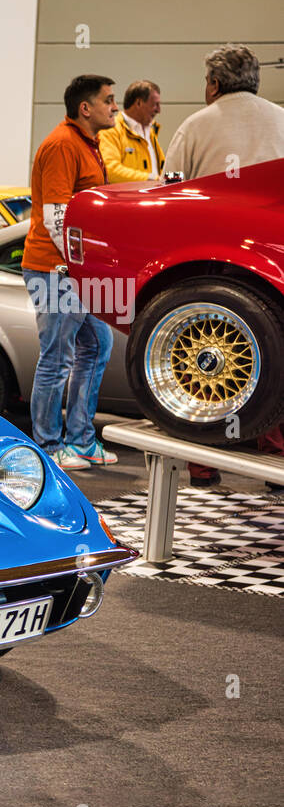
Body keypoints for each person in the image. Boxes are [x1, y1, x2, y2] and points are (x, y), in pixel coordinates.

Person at [160, 45, 284, 489]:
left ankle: (204, 463)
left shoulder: (195, 126)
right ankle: (275, 457)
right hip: (273, 268)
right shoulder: (281, 120)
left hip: (209, 273)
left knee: (204, 363)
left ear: (213, 84)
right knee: (274, 361)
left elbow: (168, 194)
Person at [21, 74, 120, 471]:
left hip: (75, 269)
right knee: (56, 358)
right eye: (109, 100)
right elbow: (56, 216)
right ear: (86, 108)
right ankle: (46, 446)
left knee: (97, 346)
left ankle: (80, 440)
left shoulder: (88, 144)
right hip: (56, 269)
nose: (115, 107)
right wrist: (82, 267)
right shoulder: (63, 145)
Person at [164, 43, 284, 182]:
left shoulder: (193, 126)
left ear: (215, 84)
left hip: (212, 204)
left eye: (207, 82)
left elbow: (170, 181)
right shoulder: (281, 117)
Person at [98, 80, 163, 182]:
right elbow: (110, 171)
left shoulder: (151, 131)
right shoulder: (110, 130)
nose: (159, 110)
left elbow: (160, 169)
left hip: (150, 195)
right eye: (155, 104)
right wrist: (152, 179)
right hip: (127, 197)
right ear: (138, 103)